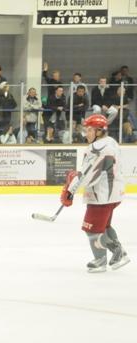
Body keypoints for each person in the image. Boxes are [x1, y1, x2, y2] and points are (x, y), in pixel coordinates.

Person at [60, 114, 130, 273]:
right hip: (114, 193)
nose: (86, 134)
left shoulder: (96, 148)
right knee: (104, 226)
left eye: (90, 130)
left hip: (101, 196)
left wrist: (70, 189)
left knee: (91, 229)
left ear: (99, 131)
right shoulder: (111, 142)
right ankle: (120, 254)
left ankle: (101, 259)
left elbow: (88, 176)